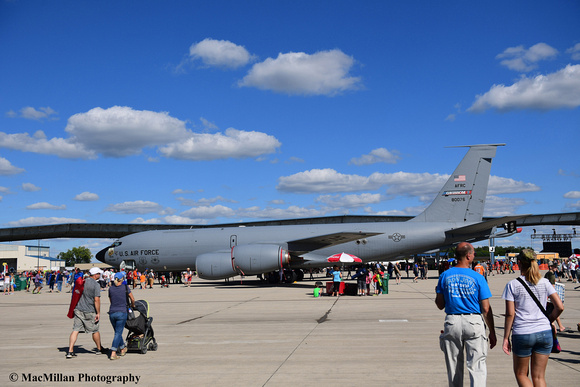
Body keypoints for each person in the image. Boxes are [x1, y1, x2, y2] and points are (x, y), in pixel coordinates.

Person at [435, 242, 497, 387]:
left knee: (454, 366)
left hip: (452, 321)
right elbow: (486, 309)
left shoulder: (444, 276)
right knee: (477, 366)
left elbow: (440, 305)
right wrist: (492, 332)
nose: (474, 255)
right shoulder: (478, 277)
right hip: (473, 321)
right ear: (468, 256)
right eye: (473, 253)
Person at [501, 249, 564, 387]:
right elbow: (559, 306)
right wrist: (550, 320)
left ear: (519, 263)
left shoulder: (513, 285)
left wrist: (506, 337)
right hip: (544, 332)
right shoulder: (545, 282)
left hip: (523, 332)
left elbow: (510, 314)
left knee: (521, 374)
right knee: (539, 377)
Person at [66, 267, 108, 359]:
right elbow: (96, 300)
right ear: (96, 274)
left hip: (78, 309)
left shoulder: (82, 281)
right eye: (99, 274)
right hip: (90, 310)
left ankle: (70, 350)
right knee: (95, 330)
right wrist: (98, 312)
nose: (99, 275)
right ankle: (98, 348)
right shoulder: (95, 285)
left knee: (75, 329)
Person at [108, 272, 135, 360]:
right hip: (122, 312)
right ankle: (113, 352)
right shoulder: (125, 287)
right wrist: (133, 305)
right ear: (122, 279)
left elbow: (111, 301)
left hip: (112, 312)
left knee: (117, 332)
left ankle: (123, 348)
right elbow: (132, 298)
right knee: (118, 333)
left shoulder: (111, 289)